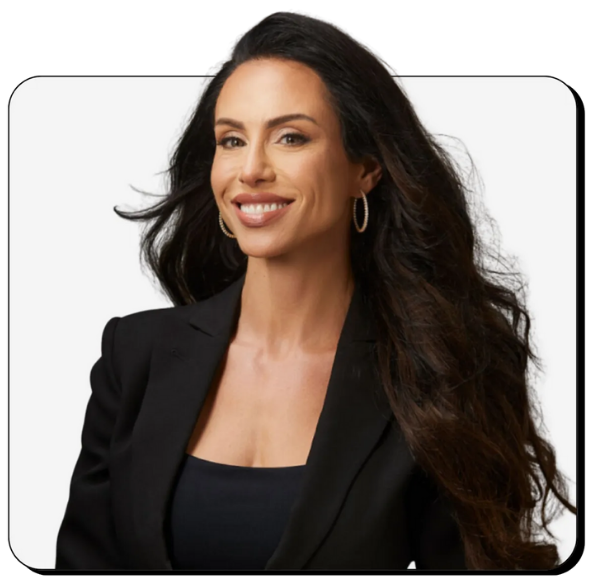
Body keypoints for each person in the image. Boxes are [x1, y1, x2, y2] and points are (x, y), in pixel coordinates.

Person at [54, 12, 576, 570]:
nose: (250, 169)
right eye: (232, 140)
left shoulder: (438, 369)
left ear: (366, 168)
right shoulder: (134, 356)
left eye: (291, 137)